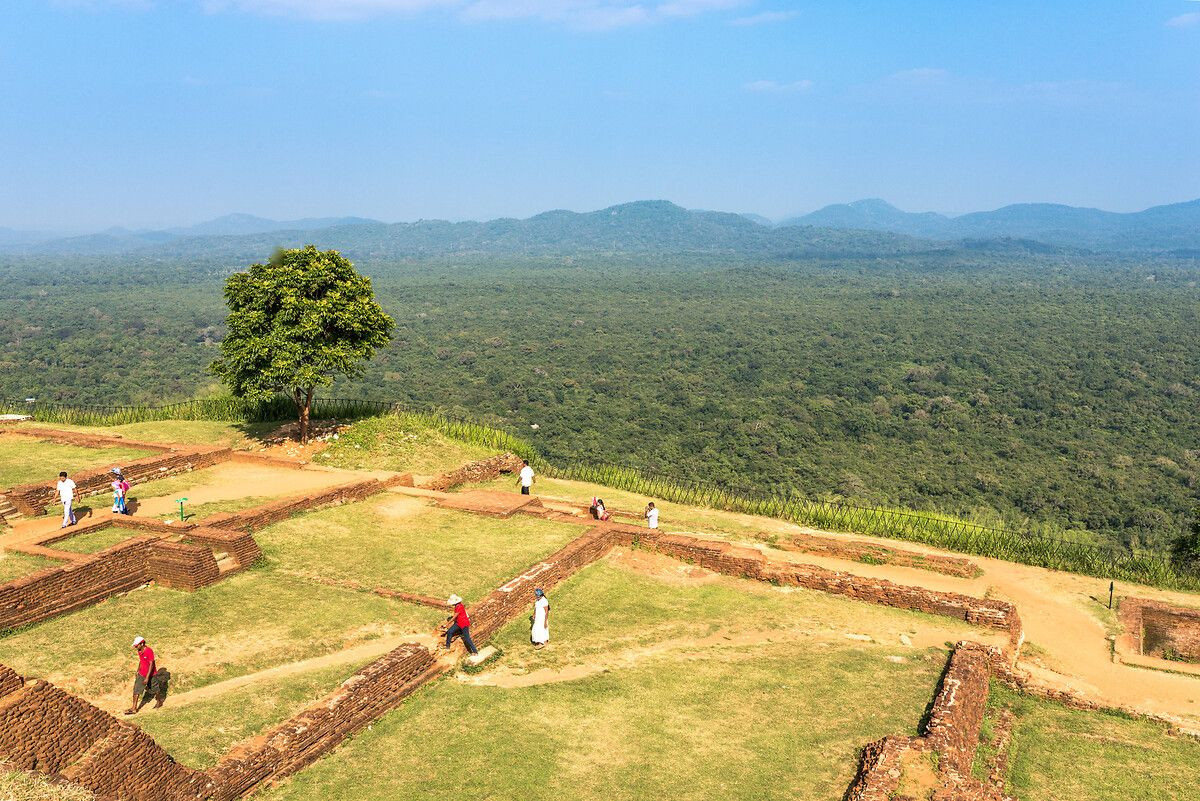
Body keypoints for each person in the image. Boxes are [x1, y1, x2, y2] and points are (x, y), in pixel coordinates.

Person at [126, 636, 162, 715]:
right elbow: (141, 661)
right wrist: (138, 670)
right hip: (141, 674)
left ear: (142, 644)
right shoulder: (139, 651)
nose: (136, 647)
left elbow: (151, 664)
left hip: (151, 675)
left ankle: (159, 701)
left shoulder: (149, 651)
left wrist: (147, 678)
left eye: (137, 645)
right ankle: (134, 708)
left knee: (155, 689)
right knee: (136, 690)